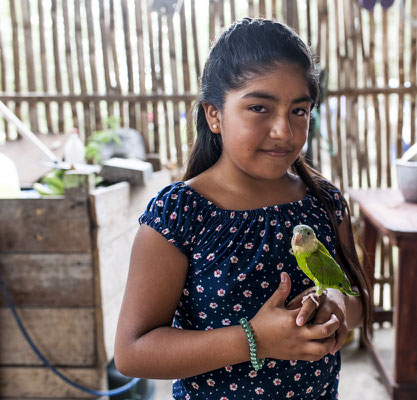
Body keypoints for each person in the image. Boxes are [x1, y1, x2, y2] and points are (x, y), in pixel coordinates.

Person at [114, 18, 372, 400]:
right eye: (259, 108)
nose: (283, 130)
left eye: (299, 111)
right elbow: (133, 353)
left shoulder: (324, 203)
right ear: (214, 115)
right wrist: (253, 340)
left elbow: (358, 300)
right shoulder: (180, 215)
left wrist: (336, 307)